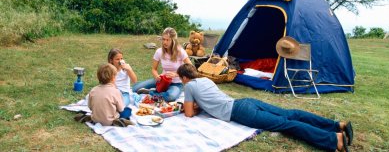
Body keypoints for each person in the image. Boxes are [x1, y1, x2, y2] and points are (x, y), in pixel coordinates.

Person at [176, 63, 354, 152]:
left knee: (286, 124)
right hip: (245, 102)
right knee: (290, 114)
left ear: (184, 78)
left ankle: (334, 140)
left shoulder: (189, 86)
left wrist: (192, 107)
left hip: (238, 111)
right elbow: (209, 100)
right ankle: (337, 125)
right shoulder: (205, 79)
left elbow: (189, 113)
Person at [133, 27, 192, 102]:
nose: (165, 42)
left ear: (173, 41)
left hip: (176, 83)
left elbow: (190, 68)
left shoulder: (180, 51)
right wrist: (156, 76)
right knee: (135, 88)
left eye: (168, 40)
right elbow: (154, 69)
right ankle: (158, 92)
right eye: (163, 39)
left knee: (171, 96)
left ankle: (150, 92)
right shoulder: (159, 52)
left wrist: (176, 74)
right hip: (162, 81)